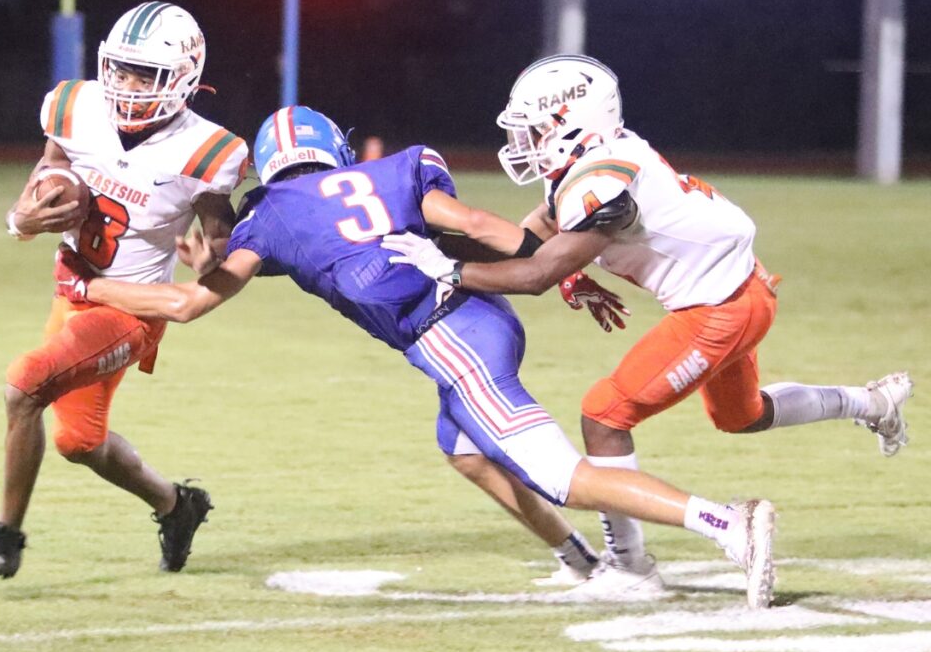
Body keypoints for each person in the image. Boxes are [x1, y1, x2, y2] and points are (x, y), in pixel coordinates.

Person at [55, 105, 778, 609]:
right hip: (484, 317)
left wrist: (90, 283)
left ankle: (726, 522)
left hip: (449, 338)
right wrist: (567, 270)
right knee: (463, 447)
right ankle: (584, 563)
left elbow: (186, 303)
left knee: (557, 470)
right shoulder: (394, 171)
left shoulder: (271, 217)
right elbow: (478, 225)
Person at [381, 54, 914, 599]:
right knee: (742, 415)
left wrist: (450, 269)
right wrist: (455, 246)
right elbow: (534, 235)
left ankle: (630, 569)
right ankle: (872, 403)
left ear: (574, 120)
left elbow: (537, 271)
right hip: (741, 291)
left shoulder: (602, 181)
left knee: (604, 415)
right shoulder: (591, 163)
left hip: (718, 309)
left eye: (539, 126)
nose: (530, 139)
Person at [0, 2, 248, 579]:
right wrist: (25, 215)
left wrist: (212, 249)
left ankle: (4, 540)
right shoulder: (74, 105)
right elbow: (51, 166)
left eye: (147, 75)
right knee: (79, 441)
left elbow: (219, 233)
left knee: (24, 386)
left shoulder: (210, 150)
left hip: (129, 308)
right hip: (72, 287)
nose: (129, 86)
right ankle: (176, 505)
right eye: (122, 69)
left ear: (185, 76)